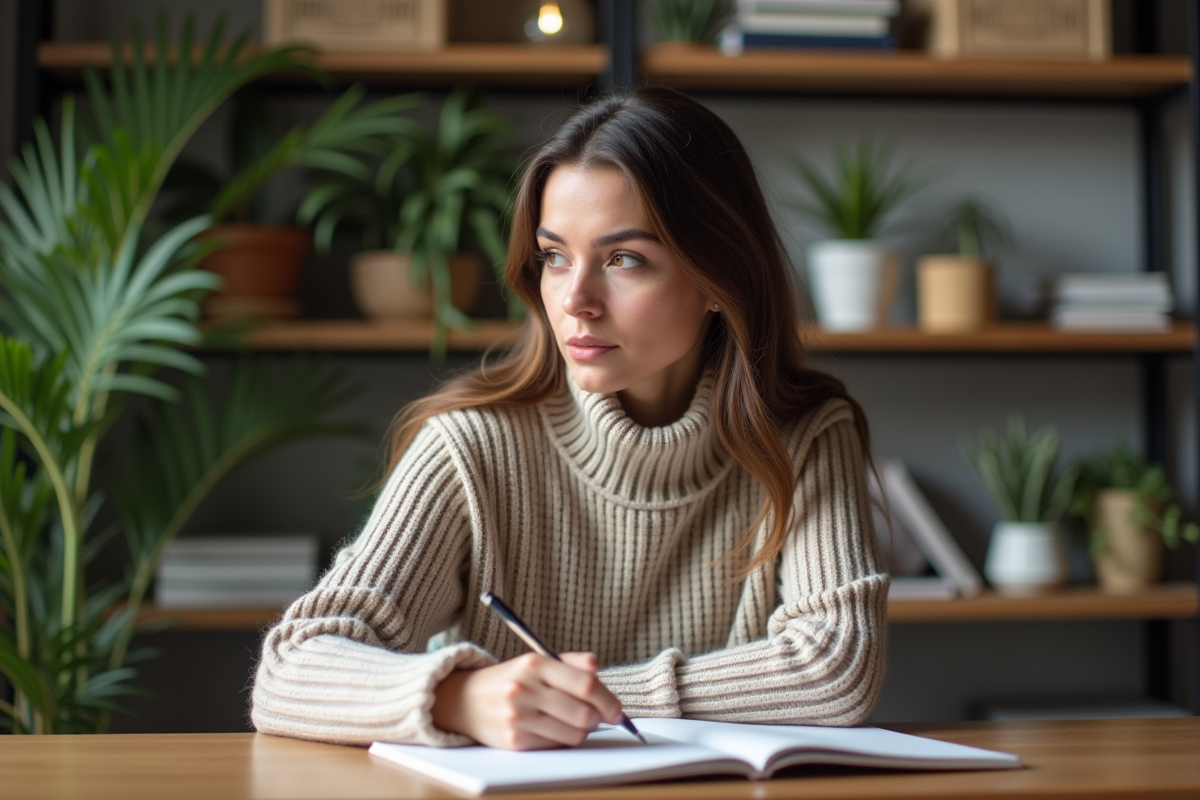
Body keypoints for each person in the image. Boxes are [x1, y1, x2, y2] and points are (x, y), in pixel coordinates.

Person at [251, 86, 888, 751]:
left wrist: (584, 699)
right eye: (554, 257)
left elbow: (835, 669)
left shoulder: (806, 434)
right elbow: (291, 669)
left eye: (624, 260)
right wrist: (459, 696)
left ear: (715, 281)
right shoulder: (472, 447)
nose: (575, 300)